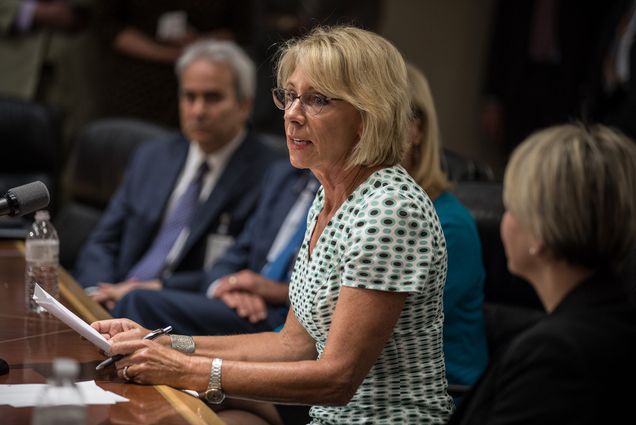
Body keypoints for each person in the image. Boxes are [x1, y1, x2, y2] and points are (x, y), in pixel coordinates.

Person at [91, 26, 454, 425]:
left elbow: (338, 378)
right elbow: (293, 344)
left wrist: (184, 369)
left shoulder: (390, 209)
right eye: (290, 95)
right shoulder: (330, 192)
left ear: (367, 116)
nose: (293, 115)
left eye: (316, 100)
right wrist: (165, 342)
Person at [447, 123, 636, 424]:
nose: (503, 222)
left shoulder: (555, 356)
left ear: (540, 235)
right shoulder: (611, 318)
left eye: (510, 207)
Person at [73, 39, 281, 309]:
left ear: (244, 106)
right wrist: (96, 293)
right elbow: (103, 240)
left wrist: (141, 293)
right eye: (189, 96)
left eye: (212, 97)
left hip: (178, 309)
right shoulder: (152, 156)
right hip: (109, 298)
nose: (198, 111)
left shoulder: (270, 175)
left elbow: (238, 269)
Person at [111, 159, 319, 335]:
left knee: (137, 303)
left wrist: (278, 291)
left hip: (286, 318)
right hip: (245, 305)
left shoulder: (344, 200)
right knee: (132, 300)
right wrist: (229, 286)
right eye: (287, 107)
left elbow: (331, 298)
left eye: (317, 107)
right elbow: (230, 259)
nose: (294, 116)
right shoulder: (284, 175)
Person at [404, 63, 488, 389]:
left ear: (416, 130)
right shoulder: (355, 205)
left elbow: (368, 336)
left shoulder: (448, 226)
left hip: (434, 396)